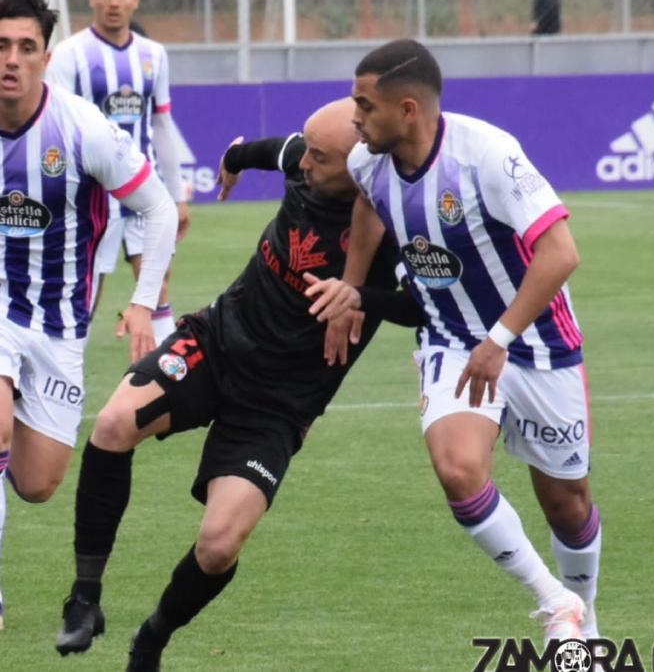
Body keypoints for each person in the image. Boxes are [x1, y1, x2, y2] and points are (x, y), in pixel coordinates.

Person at [53, 98, 419, 669]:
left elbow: (421, 306)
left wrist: (359, 298)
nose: (304, 165)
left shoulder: (396, 223)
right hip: (215, 345)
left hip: (278, 407)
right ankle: (84, 598)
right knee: (112, 423)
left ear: (357, 170)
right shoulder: (306, 157)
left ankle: (152, 637)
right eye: (307, 149)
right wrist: (233, 159)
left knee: (219, 545)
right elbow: (273, 150)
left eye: (320, 159)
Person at [0, 0, 178, 633]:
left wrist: (142, 301)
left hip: (59, 326)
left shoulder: (83, 129)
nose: (13, 62)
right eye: (1, 47)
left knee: (37, 484)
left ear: (45, 59)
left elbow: (157, 210)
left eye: (27, 49)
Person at [324, 38, 601, 645]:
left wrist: (501, 337)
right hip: (449, 337)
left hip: (537, 341)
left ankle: (587, 623)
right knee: (459, 469)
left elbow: (561, 253)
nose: (355, 119)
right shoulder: (369, 161)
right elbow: (369, 208)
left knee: (568, 505)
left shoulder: (487, 156)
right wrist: (350, 289)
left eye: (365, 106)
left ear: (408, 111)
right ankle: (554, 603)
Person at [47, 0, 191, 343]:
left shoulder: (154, 55)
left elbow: (161, 124)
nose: (114, 3)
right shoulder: (70, 54)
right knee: (83, 294)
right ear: (91, 0)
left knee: (157, 285)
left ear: (136, 1)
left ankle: (165, 385)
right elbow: (56, 126)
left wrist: (176, 193)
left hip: (144, 191)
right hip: (91, 197)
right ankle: (62, 378)